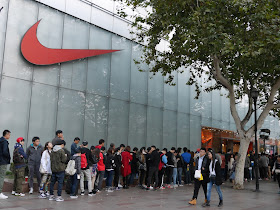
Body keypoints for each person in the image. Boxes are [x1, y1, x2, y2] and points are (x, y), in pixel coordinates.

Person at [0, 130, 11, 199]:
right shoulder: (4, 142)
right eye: (9, 135)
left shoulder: (0, 140)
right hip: (3, 161)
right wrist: (8, 157)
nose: (9, 136)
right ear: (6, 135)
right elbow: (5, 152)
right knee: (1, 177)